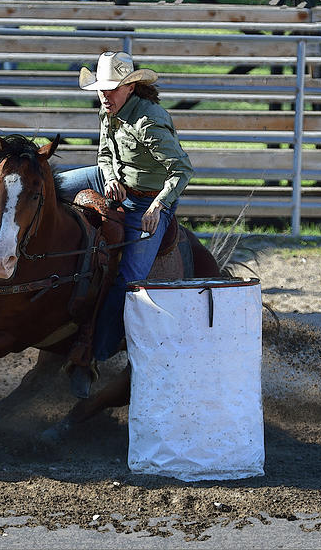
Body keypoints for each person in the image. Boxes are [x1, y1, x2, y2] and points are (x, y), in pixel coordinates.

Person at [57, 51, 194, 396]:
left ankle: (93, 356)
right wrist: (107, 176)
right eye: (101, 89)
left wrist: (159, 205)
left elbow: (182, 170)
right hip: (116, 181)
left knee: (129, 279)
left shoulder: (149, 121)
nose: (104, 95)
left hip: (148, 199)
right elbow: (104, 154)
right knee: (48, 186)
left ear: (130, 88)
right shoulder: (109, 111)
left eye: (112, 88)